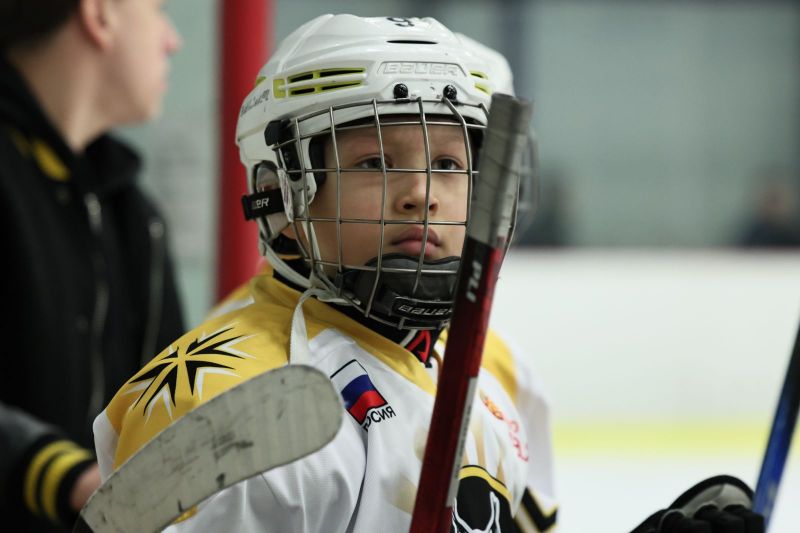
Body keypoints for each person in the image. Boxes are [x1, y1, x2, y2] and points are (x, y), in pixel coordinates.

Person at [94, 14, 764, 533]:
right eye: (375, 163)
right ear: (282, 196)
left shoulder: (475, 387)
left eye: (447, 165)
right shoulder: (223, 400)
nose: (422, 194)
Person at [0, 1, 184, 531]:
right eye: (158, 9)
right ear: (100, 15)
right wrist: (64, 476)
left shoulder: (134, 212)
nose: (172, 40)